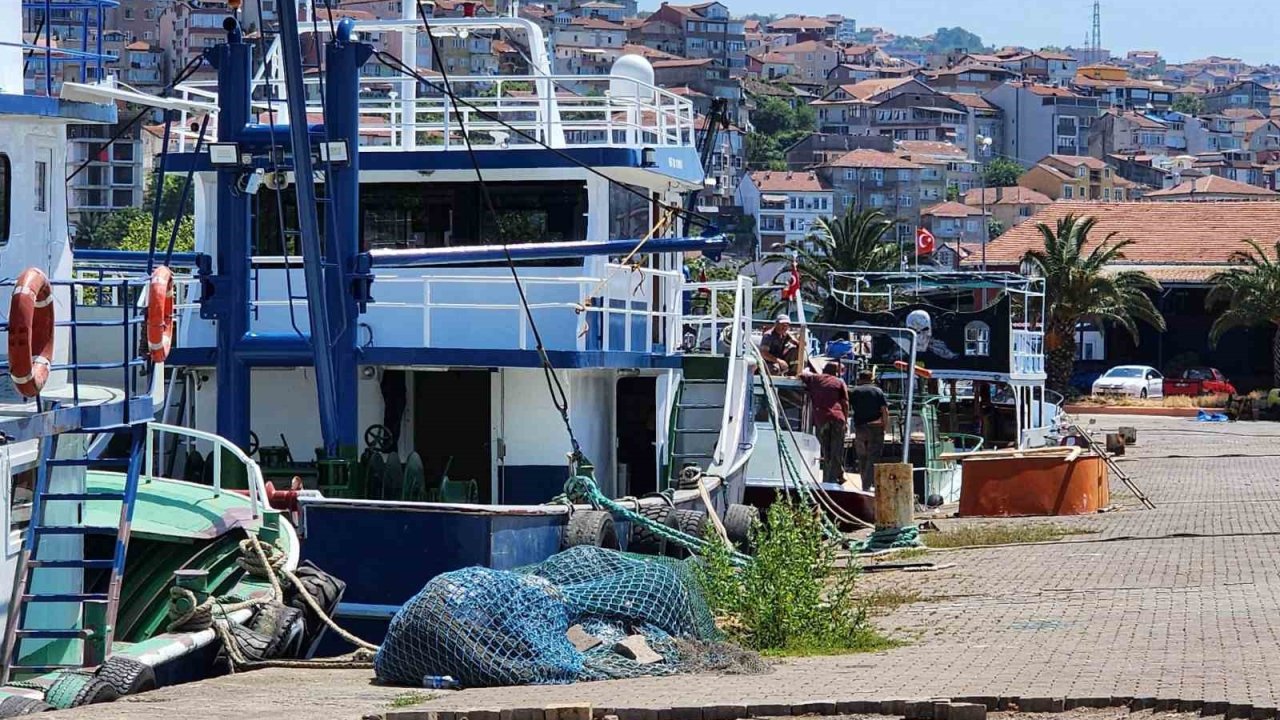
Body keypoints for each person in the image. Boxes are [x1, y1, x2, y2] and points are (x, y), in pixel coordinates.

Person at [800, 362, 850, 485]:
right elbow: (845, 403)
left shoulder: (815, 379)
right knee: (836, 449)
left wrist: (807, 369)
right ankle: (833, 479)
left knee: (826, 450)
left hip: (821, 419)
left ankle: (832, 478)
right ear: (836, 372)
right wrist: (846, 420)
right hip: (838, 418)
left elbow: (801, 374)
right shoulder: (839, 382)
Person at [849, 369, 889, 489]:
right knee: (873, 457)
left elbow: (848, 407)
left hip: (860, 428)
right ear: (871, 378)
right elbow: (884, 411)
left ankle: (864, 483)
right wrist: (885, 426)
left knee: (862, 457)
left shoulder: (854, 391)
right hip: (876, 427)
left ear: (859, 379)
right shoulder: (877, 391)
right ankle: (867, 486)